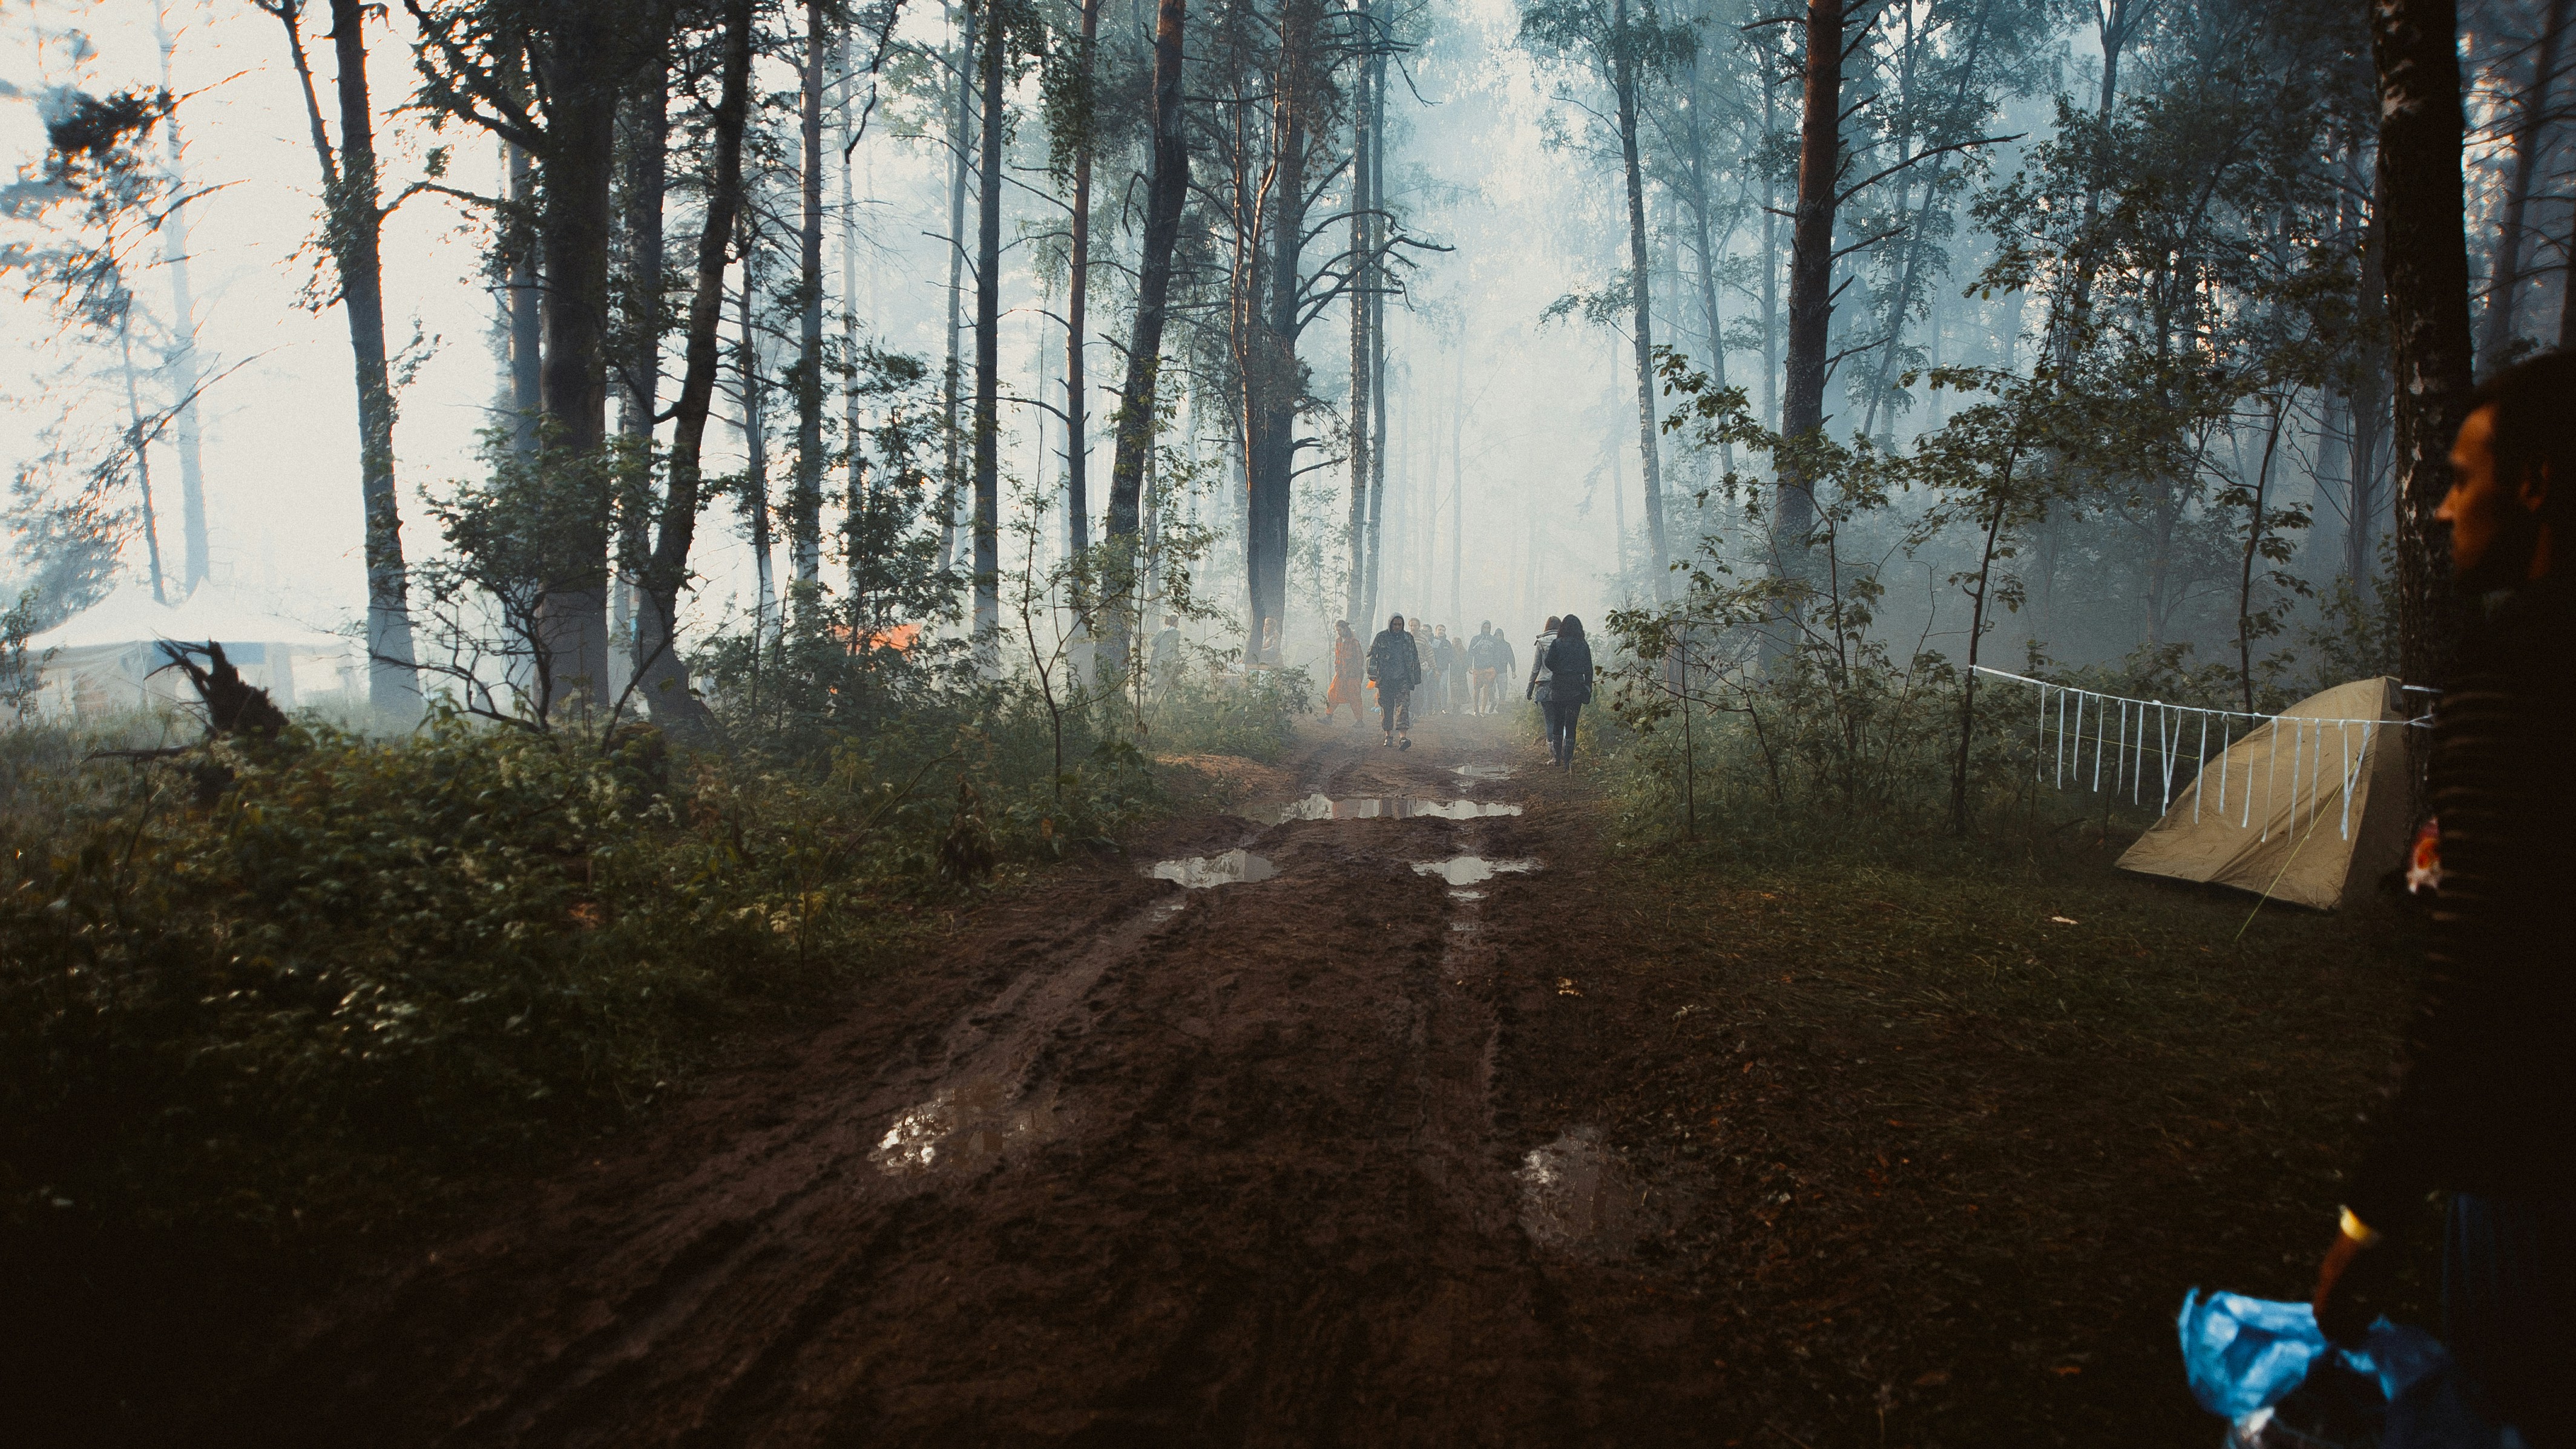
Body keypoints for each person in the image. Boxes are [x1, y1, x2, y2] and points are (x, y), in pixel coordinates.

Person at [2310, 352, 2576, 1446]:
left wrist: (2365, 1216)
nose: (2439, 508)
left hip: (2533, 1161)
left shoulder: (2517, 669)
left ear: (2537, 484)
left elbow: (2480, 986)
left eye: (2463, 477)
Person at [1535, 614, 1592, 767]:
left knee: (1558, 722)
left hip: (1559, 688)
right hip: (1576, 688)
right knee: (1571, 725)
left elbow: (1549, 663)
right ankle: (1568, 760)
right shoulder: (1583, 645)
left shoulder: (1557, 643)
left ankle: (1557, 758)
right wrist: (1588, 687)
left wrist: (1560, 669)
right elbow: (1589, 669)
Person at [1366, 613, 1422, 749]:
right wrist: (1372, 673)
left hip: (1403, 679)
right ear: (1390, 624)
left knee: (1403, 707)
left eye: (1400, 625)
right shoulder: (1381, 637)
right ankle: (1388, 736)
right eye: (1395, 624)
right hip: (1385, 679)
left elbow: (1415, 657)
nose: (1397, 627)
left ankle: (1403, 738)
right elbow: (1371, 655)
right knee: (1387, 708)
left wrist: (1416, 677)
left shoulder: (1408, 639)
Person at [1324, 619, 1365, 726]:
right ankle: (1329, 716)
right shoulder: (1338, 641)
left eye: (1340, 630)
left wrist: (1355, 672)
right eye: (1337, 630)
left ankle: (1359, 721)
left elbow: (1360, 659)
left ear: (1345, 629)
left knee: (1355, 697)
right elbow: (1338, 657)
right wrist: (1337, 668)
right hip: (1341, 674)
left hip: (1352, 675)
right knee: (1332, 692)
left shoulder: (1354, 642)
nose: (1339, 632)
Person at [1468, 622, 1502, 715]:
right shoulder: (1476, 639)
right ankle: (1476, 709)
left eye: (1488, 627)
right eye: (1485, 627)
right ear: (1481, 628)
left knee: (1486, 688)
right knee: (1476, 689)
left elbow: (1497, 654)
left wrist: (1495, 667)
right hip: (1478, 668)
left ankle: (1483, 710)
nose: (1486, 629)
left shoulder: (1493, 640)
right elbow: (1470, 652)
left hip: (1489, 668)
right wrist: (1469, 666)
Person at [1525, 615, 1560, 705]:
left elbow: (1536, 668)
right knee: (1561, 717)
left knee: (1549, 718)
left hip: (1544, 685)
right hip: (1561, 685)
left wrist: (1530, 689)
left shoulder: (1541, 642)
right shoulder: (1564, 641)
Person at [1149, 614, 1183, 697]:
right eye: (1177, 622)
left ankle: (1155, 699)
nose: (1178, 624)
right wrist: (1177, 659)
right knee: (1170, 680)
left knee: (1159, 680)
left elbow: (1153, 642)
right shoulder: (1176, 633)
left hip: (1159, 660)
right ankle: (1169, 701)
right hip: (1170, 660)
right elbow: (1175, 647)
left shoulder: (1162, 631)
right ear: (1174, 622)